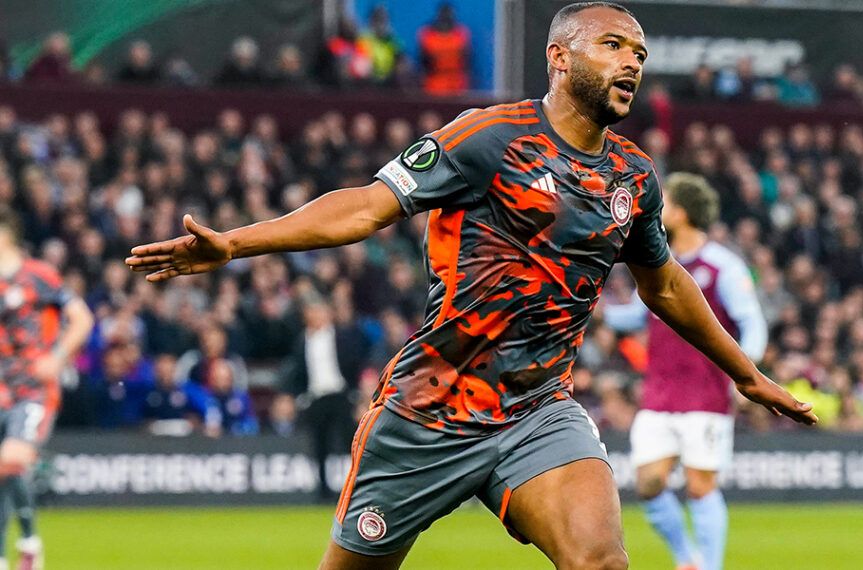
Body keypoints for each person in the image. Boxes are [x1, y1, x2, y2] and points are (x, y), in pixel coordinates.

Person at [125, 3, 816, 569]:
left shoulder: (633, 177)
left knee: (601, 561)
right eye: (613, 46)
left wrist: (746, 375)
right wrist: (236, 243)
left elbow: (663, 285)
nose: (632, 62)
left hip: (537, 410)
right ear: (560, 57)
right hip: (429, 410)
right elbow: (367, 207)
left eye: (639, 52)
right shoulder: (490, 137)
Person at [614, 173, 767, 570]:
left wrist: (744, 376)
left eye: (666, 202)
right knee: (648, 482)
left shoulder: (723, 265)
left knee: (700, 486)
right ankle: (687, 558)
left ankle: (708, 567)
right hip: (660, 392)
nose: (658, 208)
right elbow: (636, 314)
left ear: (681, 212)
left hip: (705, 392)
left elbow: (752, 323)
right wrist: (592, 307)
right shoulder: (657, 262)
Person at [0, 206, 94, 570]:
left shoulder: (39, 275)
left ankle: (23, 546)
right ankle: (17, 549)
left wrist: (57, 359)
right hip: (2, 391)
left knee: (10, 459)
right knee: (6, 469)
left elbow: (81, 318)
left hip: (33, 390)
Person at [283, 297, 368, 500]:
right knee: (319, 444)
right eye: (311, 312)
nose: (316, 316)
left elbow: (354, 364)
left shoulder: (340, 336)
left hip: (340, 395)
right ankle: (323, 491)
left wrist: (356, 395)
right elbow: (298, 372)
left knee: (350, 442)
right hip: (316, 398)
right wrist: (297, 396)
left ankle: (358, 485)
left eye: (319, 311)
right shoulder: (302, 340)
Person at [417, 2, 471, 95]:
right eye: (443, 15)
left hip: (457, 81)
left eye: (449, 15)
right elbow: (423, 61)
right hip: (434, 81)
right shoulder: (427, 34)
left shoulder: (461, 33)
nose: (446, 18)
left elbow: (467, 60)